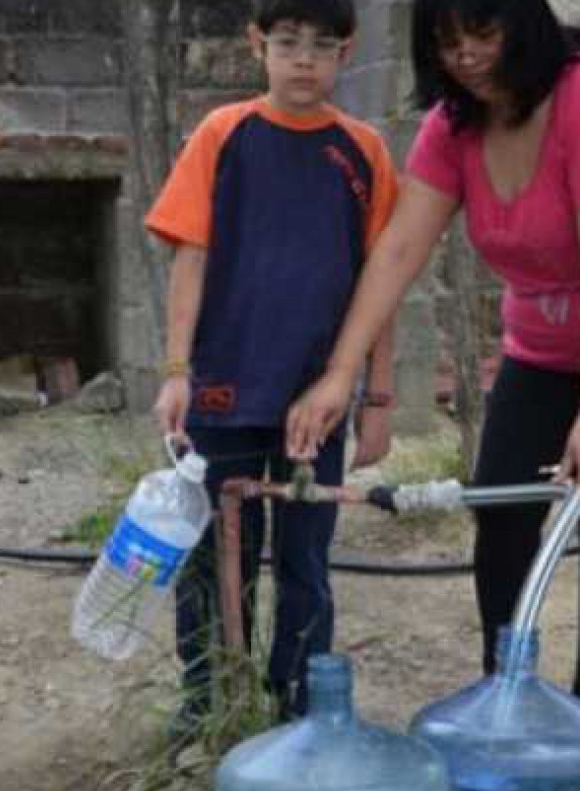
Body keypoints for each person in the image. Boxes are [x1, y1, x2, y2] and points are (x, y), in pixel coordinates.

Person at [286, 0, 580, 715]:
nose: (465, 55)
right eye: (446, 41)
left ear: (525, 22)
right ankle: (504, 699)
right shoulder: (454, 126)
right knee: (501, 507)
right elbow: (400, 250)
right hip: (548, 331)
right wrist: (341, 373)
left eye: (483, 32)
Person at [146, 0, 401, 727]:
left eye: (322, 46)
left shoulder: (363, 152)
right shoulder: (224, 136)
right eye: (288, 43)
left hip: (313, 402)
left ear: (346, 54)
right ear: (259, 43)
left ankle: (300, 712)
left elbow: (381, 285)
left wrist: (376, 399)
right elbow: (189, 260)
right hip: (223, 389)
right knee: (211, 560)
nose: (303, 60)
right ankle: (208, 705)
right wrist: (176, 371)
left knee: (305, 563)